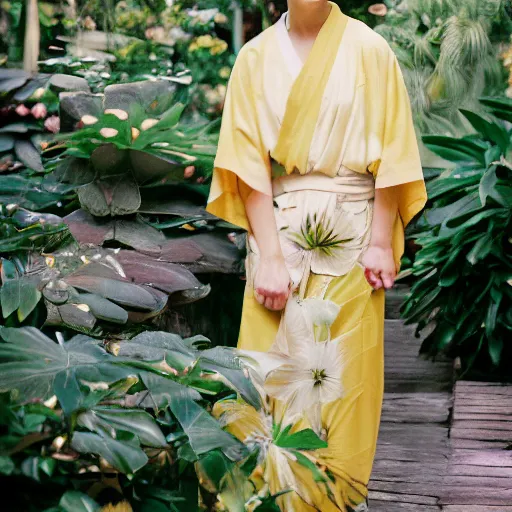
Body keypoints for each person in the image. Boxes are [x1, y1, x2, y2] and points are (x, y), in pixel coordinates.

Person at [206, 1, 427, 510]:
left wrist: (378, 241)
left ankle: (340, 500)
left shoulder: (370, 48)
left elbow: (393, 152)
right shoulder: (255, 57)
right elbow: (247, 165)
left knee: (346, 387)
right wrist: (271, 257)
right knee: (270, 382)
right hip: (277, 238)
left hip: (351, 242)